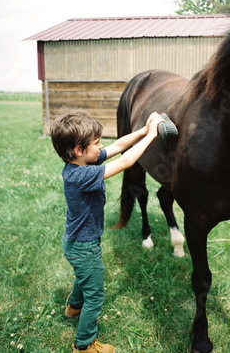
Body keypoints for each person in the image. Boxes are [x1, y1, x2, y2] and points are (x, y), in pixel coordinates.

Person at [50, 110, 163, 353]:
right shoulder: (81, 175)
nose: (101, 147)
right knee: (95, 294)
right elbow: (125, 161)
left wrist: (143, 129)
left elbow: (119, 146)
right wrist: (152, 135)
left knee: (85, 278)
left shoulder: (81, 162)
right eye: (97, 143)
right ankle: (85, 344)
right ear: (79, 150)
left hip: (76, 242)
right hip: (84, 246)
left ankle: (73, 308)